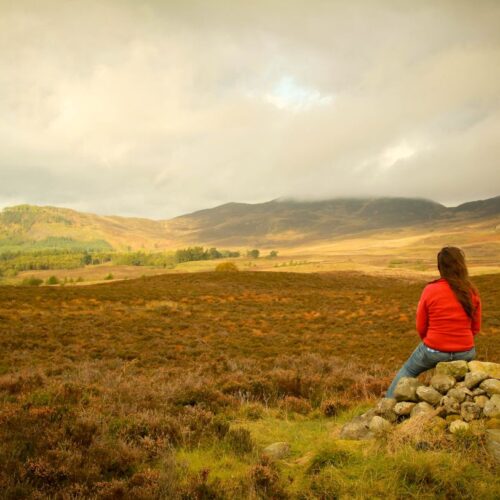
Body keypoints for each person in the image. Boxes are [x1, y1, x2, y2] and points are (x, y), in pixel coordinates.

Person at [385, 246, 481, 398]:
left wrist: (431, 342)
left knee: (408, 371)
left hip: (434, 350)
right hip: (466, 351)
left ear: (440, 267)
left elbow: (421, 326)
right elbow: (475, 328)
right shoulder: (471, 291)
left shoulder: (430, 290)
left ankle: (385, 406)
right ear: (462, 266)